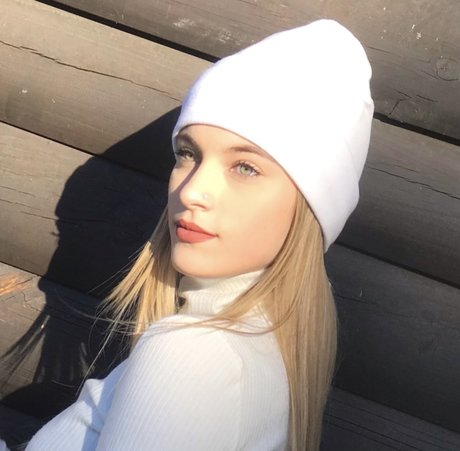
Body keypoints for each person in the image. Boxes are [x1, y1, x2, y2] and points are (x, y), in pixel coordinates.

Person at [12, 19, 373, 451]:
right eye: (187, 154)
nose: (191, 190)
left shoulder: (192, 355)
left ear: (313, 206)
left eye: (245, 167)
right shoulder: (265, 346)